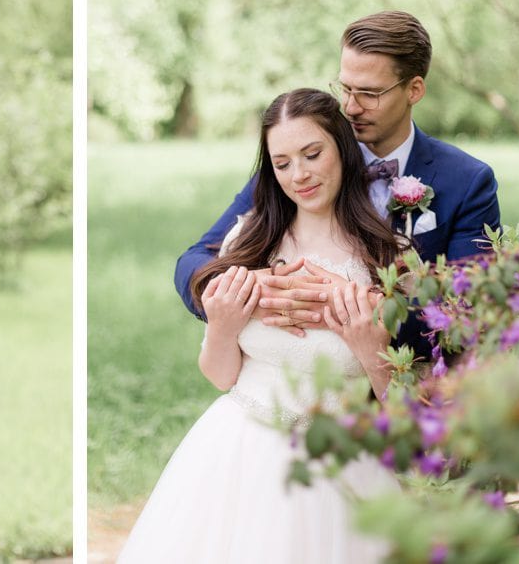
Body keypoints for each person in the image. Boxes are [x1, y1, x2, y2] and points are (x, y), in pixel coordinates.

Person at [118, 89, 403, 563]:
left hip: (342, 463)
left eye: (312, 154)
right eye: (283, 162)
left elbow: (401, 408)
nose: (300, 175)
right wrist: (223, 323)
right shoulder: (249, 240)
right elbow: (220, 375)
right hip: (239, 451)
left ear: (342, 148)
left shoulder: (384, 254)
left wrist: (370, 344)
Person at [175, 11, 501, 354]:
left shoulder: (467, 182)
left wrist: (355, 309)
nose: (350, 107)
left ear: (414, 89)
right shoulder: (302, 160)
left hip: (403, 392)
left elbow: (469, 315)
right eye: (345, 88)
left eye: (369, 93)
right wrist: (245, 294)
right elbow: (194, 261)